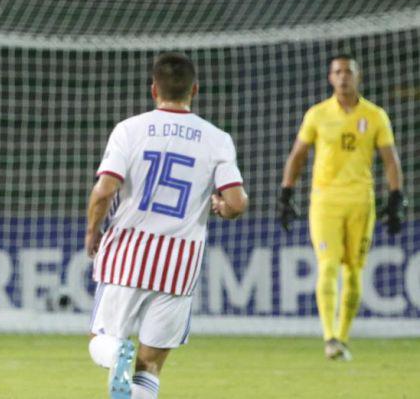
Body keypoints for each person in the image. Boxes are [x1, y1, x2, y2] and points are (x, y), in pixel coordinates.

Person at [84, 52, 248, 399]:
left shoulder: (130, 129)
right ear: (195, 89)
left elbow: (104, 191)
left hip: (126, 254)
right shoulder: (216, 138)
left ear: (154, 88)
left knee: (102, 340)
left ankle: (116, 353)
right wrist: (219, 206)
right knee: (151, 367)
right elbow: (235, 203)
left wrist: (92, 232)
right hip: (179, 262)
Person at [278, 54, 404, 361]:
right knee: (328, 265)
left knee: (353, 271)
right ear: (330, 78)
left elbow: (390, 159)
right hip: (325, 202)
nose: (343, 76)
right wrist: (286, 194)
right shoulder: (318, 115)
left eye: (348, 71)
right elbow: (298, 155)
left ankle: (343, 337)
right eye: (337, 72)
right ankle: (329, 337)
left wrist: (396, 198)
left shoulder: (375, 116)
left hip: (361, 201)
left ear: (358, 77)